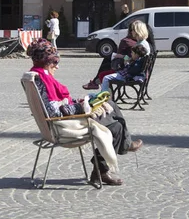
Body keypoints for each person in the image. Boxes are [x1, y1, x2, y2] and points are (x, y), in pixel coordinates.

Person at [27, 38, 143, 186]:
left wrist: (82, 102)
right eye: (55, 63)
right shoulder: (41, 79)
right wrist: (83, 107)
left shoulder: (39, 76)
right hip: (62, 126)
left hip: (61, 122)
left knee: (110, 104)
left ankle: (111, 159)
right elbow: (55, 112)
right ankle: (102, 168)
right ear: (45, 62)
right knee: (116, 126)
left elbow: (59, 104)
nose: (57, 67)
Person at [83, 20, 150, 90]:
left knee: (106, 76)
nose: (131, 32)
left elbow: (134, 60)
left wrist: (124, 58)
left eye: (133, 30)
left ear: (137, 31)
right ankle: (98, 83)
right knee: (107, 62)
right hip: (137, 71)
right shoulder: (142, 43)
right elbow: (135, 59)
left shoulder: (140, 45)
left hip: (132, 74)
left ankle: (104, 95)